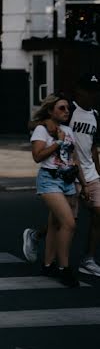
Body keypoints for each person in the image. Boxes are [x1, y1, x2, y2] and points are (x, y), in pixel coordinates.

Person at [28, 93, 90, 287]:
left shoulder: (67, 130)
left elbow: (74, 159)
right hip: (49, 180)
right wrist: (58, 142)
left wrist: (84, 183)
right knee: (69, 224)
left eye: (67, 108)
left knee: (55, 224)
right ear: (50, 110)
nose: (66, 111)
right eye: (61, 108)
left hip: (68, 180)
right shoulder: (42, 130)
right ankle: (64, 268)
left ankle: (48, 265)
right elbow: (37, 157)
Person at [70, 74, 100, 276]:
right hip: (70, 173)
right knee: (68, 221)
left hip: (91, 174)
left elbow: (94, 148)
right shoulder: (68, 110)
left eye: (96, 91)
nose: (93, 95)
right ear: (80, 92)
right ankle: (38, 235)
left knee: (99, 215)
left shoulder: (96, 116)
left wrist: (99, 171)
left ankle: (88, 259)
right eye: (89, 91)